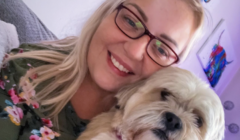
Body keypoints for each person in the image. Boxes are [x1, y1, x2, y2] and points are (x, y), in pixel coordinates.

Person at [0, 0, 204, 140]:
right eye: (131, 21)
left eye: (162, 49)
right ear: (107, 12)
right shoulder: (26, 72)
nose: (134, 51)